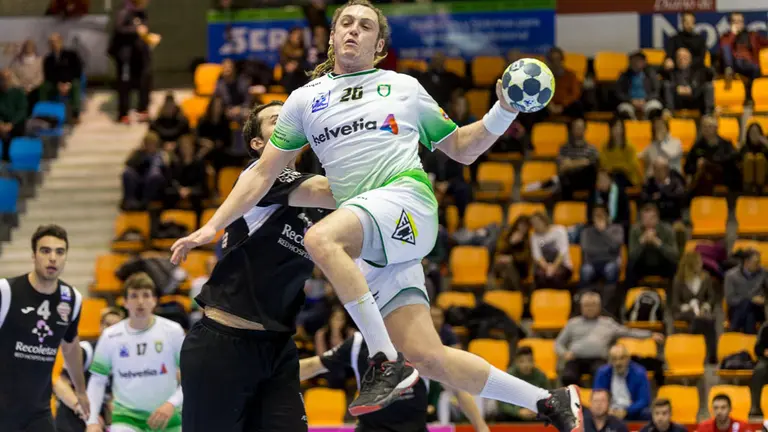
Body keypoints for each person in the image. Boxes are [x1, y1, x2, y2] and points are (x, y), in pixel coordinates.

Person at [171, 1, 582, 431]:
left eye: (365, 26)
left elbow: (462, 149)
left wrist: (503, 111)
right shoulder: (304, 100)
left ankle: (384, 361)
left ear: (379, 44)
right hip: (370, 235)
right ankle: (547, 399)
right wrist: (211, 227)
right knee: (428, 356)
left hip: (406, 201)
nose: (353, 30)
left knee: (320, 239)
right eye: (345, 23)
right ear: (332, 37)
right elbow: (261, 174)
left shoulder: (403, 87)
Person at [177, 101, 336, 432]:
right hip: (223, 344)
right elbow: (332, 191)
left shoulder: (315, 206)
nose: (289, 122)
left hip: (278, 347)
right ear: (258, 143)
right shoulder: (259, 176)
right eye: (277, 120)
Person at [300, 331, 491, 432]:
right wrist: (281, 372)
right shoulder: (357, 343)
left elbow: (457, 390)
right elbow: (312, 366)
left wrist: (482, 427)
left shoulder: (420, 346)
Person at [0, 225, 91, 431]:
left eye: (60, 252)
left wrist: (81, 390)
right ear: (33, 255)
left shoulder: (71, 299)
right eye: (45, 251)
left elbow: (70, 346)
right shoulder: (6, 291)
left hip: (38, 412)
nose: (53, 258)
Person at [84, 273, 184, 432]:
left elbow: (191, 377)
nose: (140, 301)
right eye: (134, 296)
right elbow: (98, 379)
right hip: (126, 418)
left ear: (154, 300)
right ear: (124, 302)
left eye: (146, 295)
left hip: (167, 418)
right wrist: (92, 421)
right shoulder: (111, 336)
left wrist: (172, 403)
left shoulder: (173, 331)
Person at [55, 308, 125, 432]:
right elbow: (59, 383)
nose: (111, 330)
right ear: (100, 327)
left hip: (97, 423)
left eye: (116, 326)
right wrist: (81, 408)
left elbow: (111, 399)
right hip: (71, 422)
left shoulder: (122, 359)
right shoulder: (87, 351)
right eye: (107, 324)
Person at [671, 251, 717, 363]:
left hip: (702, 310)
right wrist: (688, 307)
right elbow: (675, 303)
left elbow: (711, 297)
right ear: (691, 264)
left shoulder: (705, 277)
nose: (701, 264)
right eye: (698, 262)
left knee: (708, 320)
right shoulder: (679, 280)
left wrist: (705, 307)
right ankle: (708, 354)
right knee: (702, 320)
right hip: (684, 311)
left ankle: (710, 354)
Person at [593, 344, 652, 421]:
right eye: (614, 359)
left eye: (621, 358)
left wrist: (626, 411)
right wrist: (607, 409)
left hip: (632, 411)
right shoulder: (602, 372)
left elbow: (644, 400)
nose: (618, 363)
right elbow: (597, 395)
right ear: (609, 361)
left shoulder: (639, 372)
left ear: (628, 358)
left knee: (647, 413)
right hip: (609, 411)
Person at [498, 346, 552, 421]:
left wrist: (538, 410)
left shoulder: (540, 376)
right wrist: (518, 412)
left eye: (529, 361)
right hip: (514, 414)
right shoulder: (508, 376)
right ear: (516, 362)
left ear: (534, 361)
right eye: (521, 361)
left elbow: (549, 398)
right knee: (501, 416)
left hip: (536, 413)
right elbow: (501, 403)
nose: (526, 365)